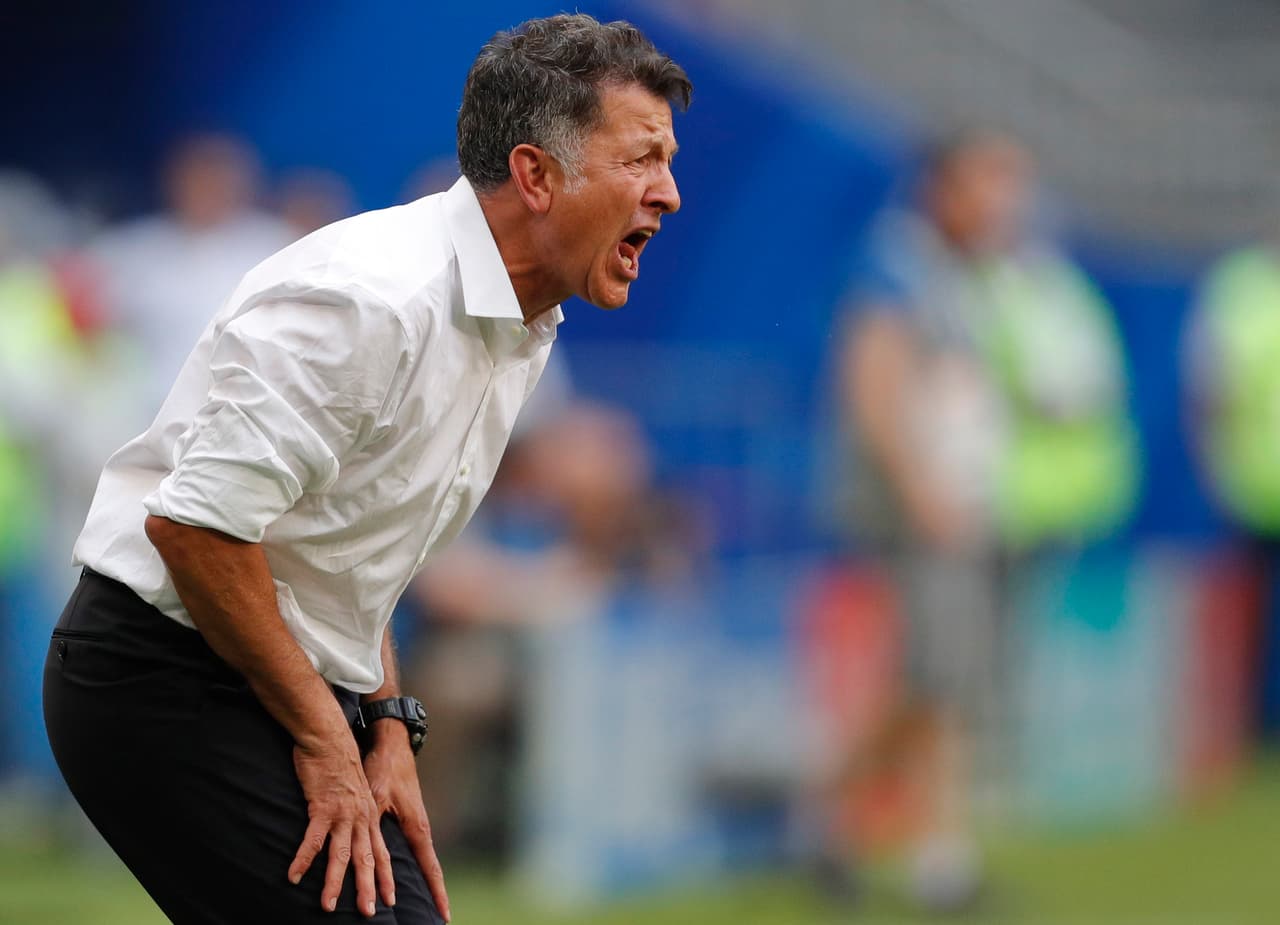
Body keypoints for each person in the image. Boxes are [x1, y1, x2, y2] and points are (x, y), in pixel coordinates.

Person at [43, 14, 690, 925]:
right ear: (536, 175)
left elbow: (354, 546)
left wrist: (385, 723)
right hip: (164, 678)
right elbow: (194, 527)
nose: (669, 194)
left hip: (275, 678)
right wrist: (326, 734)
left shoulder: (521, 320)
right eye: (641, 159)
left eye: (667, 162)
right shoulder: (372, 298)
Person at [819, 129, 1135, 910]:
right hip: (924, 504)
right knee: (941, 673)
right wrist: (918, 487)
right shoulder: (899, 266)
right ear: (944, 188)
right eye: (990, 183)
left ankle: (893, 842)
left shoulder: (978, 272)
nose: (1006, 202)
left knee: (944, 681)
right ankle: (865, 829)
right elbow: (873, 380)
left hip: (967, 500)